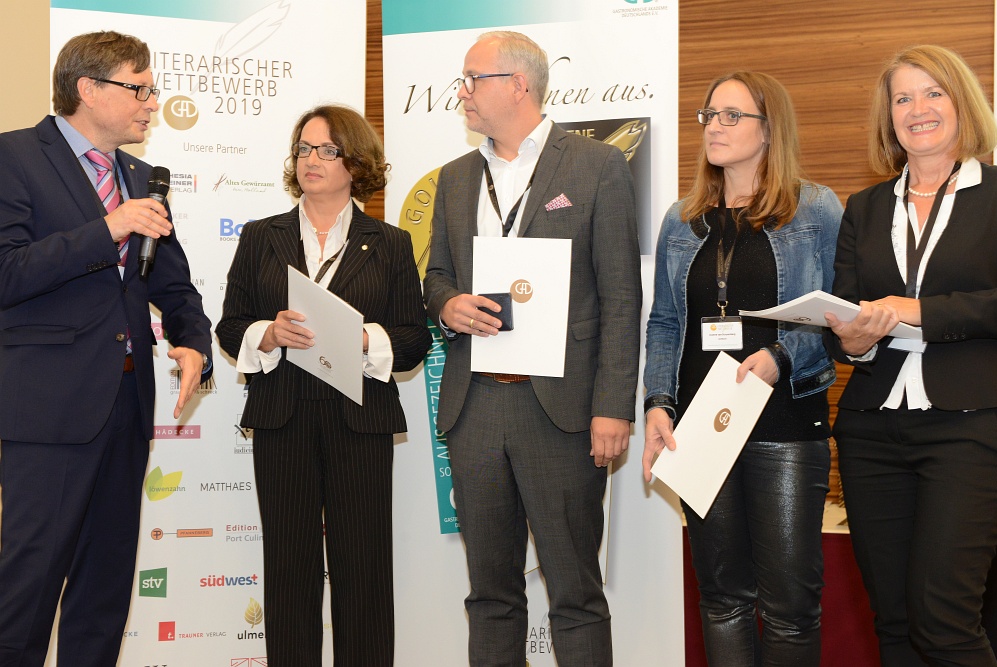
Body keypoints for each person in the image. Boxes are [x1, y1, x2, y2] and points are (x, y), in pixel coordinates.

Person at [423, 31, 642, 666]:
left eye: (473, 79)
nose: (462, 92)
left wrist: (612, 407)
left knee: (575, 595)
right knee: (490, 596)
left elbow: (620, 296)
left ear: (518, 85)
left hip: (561, 411)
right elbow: (436, 275)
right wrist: (446, 305)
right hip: (475, 407)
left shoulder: (597, 166)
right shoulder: (455, 178)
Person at [0, 31, 213, 666]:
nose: (152, 103)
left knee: (105, 587)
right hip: (49, 410)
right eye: (139, 89)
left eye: (152, 90)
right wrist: (107, 228)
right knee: (28, 588)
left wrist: (192, 342)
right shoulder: (14, 156)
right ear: (88, 88)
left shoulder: (141, 176)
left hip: (126, 404)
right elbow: (7, 272)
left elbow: (172, 283)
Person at [216, 104, 431, 667]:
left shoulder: (390, 242)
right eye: (304, 149)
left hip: (359, 419)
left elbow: (414, 338)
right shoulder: (261, 236)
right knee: (289, 568)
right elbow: (230, 325)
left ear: (356, 163)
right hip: (282, 416)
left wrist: (362, 340)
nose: (311, 160)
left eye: (327, 150)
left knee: (363, 569)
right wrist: (267, 334)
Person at [643, 71, 842, 665]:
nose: (715, 126)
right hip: (701, 429)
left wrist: (782, 358)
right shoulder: (682, 219)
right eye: (709, 115)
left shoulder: (814, 209)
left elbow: (841, 315)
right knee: (722, 599)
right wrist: (658, 403)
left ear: (769, 128)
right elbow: (664, 323)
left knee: (789, 607)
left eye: (732, 115)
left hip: (785, 426)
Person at [824, 45, 997, 666]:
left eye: (933, 93)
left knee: (945, 621)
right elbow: (842, 317)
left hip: (970, 427)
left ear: (962, 103)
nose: (917, 108)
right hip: (872, 430)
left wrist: (917, 310)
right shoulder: (865, 207)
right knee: (894, 622)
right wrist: (853, 340)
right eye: (902, 98)